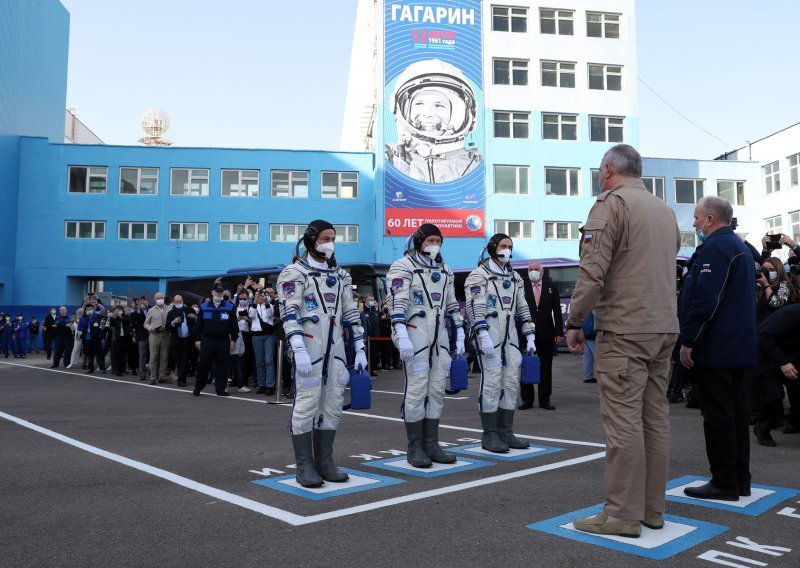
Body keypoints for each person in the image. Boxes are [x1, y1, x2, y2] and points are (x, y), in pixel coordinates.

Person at [565, 144, 681, 538]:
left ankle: (620, 514)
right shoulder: (664, 210)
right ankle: (652, 509)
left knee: (623, 424)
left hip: (626, 329)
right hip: (663, 326)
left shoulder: (610, 204)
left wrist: (575, 320)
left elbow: (592, 270)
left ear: (609, 169)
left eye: (601, 171)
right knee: (655, 420)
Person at [277, 220, 368, 487]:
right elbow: (289, 313)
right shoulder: (294, 273)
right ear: (311, 240)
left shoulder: (341, 275)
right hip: (309, 348)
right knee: (306, 405)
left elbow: (351, 312)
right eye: (325, 238)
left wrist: (360, 345)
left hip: (336, 350)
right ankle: (304, 465)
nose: (330, 243)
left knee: (333, 405)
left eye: (333, 238)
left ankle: (325, 461)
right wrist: (297, 348)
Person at [678, 195, 757, 501]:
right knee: (735, 414)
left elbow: (706, 301)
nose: (695, 224)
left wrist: (688, 340)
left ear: (710, 219)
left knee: (718, 417)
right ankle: (739, 480)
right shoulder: (740, 247)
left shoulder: (715, 247)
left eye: (697, 218)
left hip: (717, 349)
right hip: (737, 348)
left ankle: (724, 481)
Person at [387, 223, 464, 468]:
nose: (435, 245)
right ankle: (415, 446)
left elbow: (452, 304)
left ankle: (432, 443)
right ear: (419, 241)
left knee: (437, 391)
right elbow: (396, 304)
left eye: (438, 241)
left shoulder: (445, 270)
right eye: (430, 240)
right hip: (415, 334)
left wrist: (460, 332)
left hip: (439, 338)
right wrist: (401, 333)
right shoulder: (403, 267)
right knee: (417, 390)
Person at [465, 233, 535, 453]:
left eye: (510, 246)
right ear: (493, 248)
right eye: (503, 246)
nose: (507, 250)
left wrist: (529, 333)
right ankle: (490, 434)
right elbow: (475, 307)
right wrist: (482, 334)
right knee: (492, 382)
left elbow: (522, 306)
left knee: (511, 382)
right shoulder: (479, 276)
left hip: (510, 337)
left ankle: (506, 431)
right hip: (490, 335)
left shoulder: (515, 278)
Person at [386, 59, 481, 183]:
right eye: (419, 104)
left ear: (458, 113)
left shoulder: (476, 165)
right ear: (402, 108)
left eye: (439, 105)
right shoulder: (389, 158)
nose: (428, 114)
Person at [752, 304, 800, 445]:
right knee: (774, 394)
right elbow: (765, 337)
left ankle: (796, 422)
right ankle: (762, 428)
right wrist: (783, 363)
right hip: (765, 355)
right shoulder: (791, 314)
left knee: (797, 391)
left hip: (790, 355)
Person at [518, 260, 562, 410]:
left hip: (546, 332)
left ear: (542, 272)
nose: (533, 271)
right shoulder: (521, 287)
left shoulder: (551, 287)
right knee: (526, 365)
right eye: (530, 269)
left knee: (546, 367)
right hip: (525, 333)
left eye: (536, 269)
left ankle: (545, 399)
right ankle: (527, 400)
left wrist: (558, 332)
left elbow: (557, 311)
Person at [193, 281, 239, 397]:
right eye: (217, 292)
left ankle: (220, 389)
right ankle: (198, 387)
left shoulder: (229, 306)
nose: (219, 294)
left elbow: (234, 325)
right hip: (207, 340)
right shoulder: (204, 306)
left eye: (221, 292)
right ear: (212, 293)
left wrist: (234, 339)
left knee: (222, 366)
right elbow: (198, 325)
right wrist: (197, 339)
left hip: (223, 340)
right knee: (203, 364)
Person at [248, 287, 277, 395]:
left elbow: (270, 315)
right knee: (259, 361)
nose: (260, 296)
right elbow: (251, 315)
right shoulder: (253, 306)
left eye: (262, 295)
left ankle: (270, 385)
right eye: (259, 295)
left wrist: (265, 301)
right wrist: (255, 300)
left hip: (268, 335)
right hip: (256, 336)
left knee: (268, 361)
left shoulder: (270, 306)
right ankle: (262, 384)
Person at [166, 295, 195, 387]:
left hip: (187, 339)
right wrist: (173, 322)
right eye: (177, 301)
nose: (179, 303)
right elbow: (167, 326)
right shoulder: (171, 313)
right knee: (179, 361)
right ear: (174, 302)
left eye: (180, 301)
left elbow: (197, 322)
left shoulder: (189, 310)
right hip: (176, 340)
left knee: (185, 361)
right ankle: (181, 379)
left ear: (183, 301)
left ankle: (182, 380)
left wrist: (194, 317)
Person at [144, 292, 172, 385]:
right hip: (154, 335)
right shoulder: (151, 310)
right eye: (157, 298)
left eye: (161, 297)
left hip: (166, 335)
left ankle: (162, 377)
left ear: (163, 298)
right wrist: (150, 328)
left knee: (164, 357)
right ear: (155, 299)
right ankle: (152, 377)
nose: (160, 299)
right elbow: (145, 323)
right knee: (153, 357)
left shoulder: (169, 309)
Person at [77, 304, 107, 374]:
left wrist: (103, 337)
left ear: (93, 309)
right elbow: (79, 328)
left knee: (99, 355)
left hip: (96, 339)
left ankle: (102, 368)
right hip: (87, 340)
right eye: (87, 309)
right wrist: (84, 329)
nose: (88, 310)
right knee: (90, 355)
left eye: (90, 309)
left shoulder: (99, 317)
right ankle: (91, 369)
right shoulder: (83, 318)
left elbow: (102, 328)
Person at [361, 294, 382, 377]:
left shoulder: (374, 310)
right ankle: (366, 370)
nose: (371, 302)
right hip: (367, 336)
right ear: (366, 300)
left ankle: (372, 369)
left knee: (374, 354)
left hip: (375, 336)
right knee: (366, 354)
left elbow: (377, 322)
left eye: (373, 300)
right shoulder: (363, 310)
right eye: (370, 300)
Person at [131, 298, 150, 381]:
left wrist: (147, 306)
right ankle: (142, 373)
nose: (143, 303)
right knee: (142, 355)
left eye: (144, 301)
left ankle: (153, 372)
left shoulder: (151, 309)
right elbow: (133, 320)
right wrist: (138, 308)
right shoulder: (136, 312)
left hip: (153, 335)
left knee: (153, 355)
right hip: (142, 336)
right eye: (141, 302)